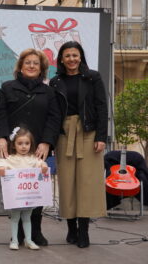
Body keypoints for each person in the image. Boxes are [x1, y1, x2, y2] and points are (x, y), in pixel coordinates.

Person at [0, 48, 60, 246]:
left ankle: (35, 231)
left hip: (38, 147)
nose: (31, 66)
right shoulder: (7, 87)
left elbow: (54, 118)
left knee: (35, 189)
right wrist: (2, 137)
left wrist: (47, 141)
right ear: (21, 66)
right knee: (16, 190)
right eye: (27, 62)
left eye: (35, 63)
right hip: (13, 149)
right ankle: (18, 233)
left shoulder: (49, 92)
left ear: (42, 69)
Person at [50, 41, 108, 248]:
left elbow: (102, 106)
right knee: (67, 183)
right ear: (61, 59)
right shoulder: (55, 81)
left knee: (87, 183)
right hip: (65, 133)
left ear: (80, 56)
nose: (72, 59)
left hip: (88, 132)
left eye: (75, 55)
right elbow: (54, 113)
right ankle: (71, 229)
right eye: (67, 56)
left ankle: (84, 231)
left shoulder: (92, 77)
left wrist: (102, 137)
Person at [0, 127, 48, 250]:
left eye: (27, 143)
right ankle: (14, 240)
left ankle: (28, 240)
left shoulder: (33, 159)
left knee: (27, 218)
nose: (24, 146)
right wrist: (1, 170)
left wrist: (43, 167)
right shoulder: (11, 159)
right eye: (20, 143)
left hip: (28, 196)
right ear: (14, 145)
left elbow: (40, 164)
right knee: (15, 218)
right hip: (16, 197)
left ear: (31, 144)